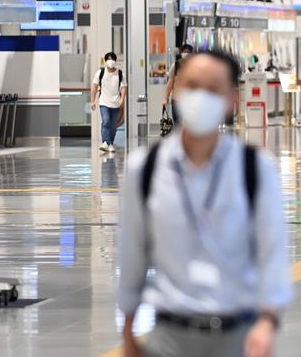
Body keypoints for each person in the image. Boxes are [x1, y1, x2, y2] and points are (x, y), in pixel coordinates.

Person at [118, 50, 292, 357]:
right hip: (167, 338)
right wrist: (128, 325)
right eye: (192, 86)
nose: (201, 97)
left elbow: (272, 252)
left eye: (213, 89)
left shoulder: (254, 168)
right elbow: (132, 253)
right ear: (176, 91)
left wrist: (268, 321)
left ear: (231, 99)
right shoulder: (144, 168)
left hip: (238, 336)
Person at [91, 51, 127, 153]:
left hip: (116, 103)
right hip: (104, 102)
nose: (111, 61)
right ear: (105, 61)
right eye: (109, 59)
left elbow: (124, 87)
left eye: (112, 59)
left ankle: (109, 144)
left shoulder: (120, 74)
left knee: (113, 126)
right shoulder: (100, 73)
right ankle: (106, 142)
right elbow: (94, 87)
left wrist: (122, 99)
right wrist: (92, 101)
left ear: (115, 61)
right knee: (106, 121)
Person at [163, 43, 194, 108]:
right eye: (184, 52)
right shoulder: (176, 65)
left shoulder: (196, 66)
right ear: (181, 53)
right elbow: (170, 84)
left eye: (188, 52)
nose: (186, 54)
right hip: (177, 100)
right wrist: (166, 98)